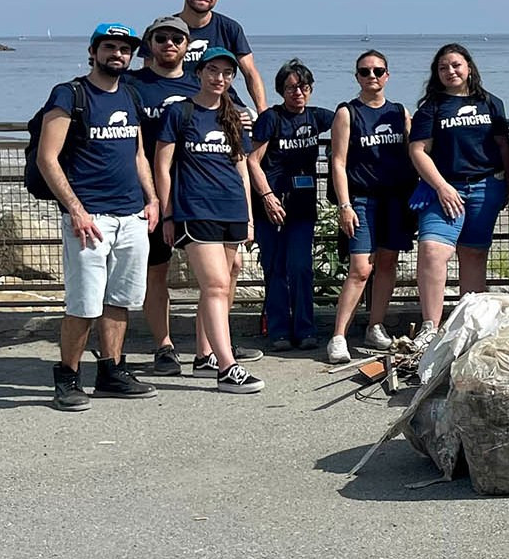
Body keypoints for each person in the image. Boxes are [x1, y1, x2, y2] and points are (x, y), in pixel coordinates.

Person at [35, 23, 159, 410]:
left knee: (120, 300)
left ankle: (112, 371)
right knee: (84, 304)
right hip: (89, 218)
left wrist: (152, 199)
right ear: (94, 51)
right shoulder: (70, 94)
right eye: (110, 47)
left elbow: (138, 155)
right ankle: (68, 378)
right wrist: (76, 209)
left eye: (124, 49)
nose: (117, 54)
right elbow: (47, 158)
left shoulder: (131, 95)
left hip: (131, 216)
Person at [153, 47, 263, 393]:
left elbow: (242, 167)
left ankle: (205, 355)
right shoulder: (180, 112)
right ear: (199, 72)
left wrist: (248, 216)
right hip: (195, 209)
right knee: (214, 284)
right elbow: (162, 166)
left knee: (227, 279)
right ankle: (227, 366)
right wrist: (167, 212)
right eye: (213, 71)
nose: (220, 78)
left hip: (231, 208)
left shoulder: (232, 115)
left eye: (227, 73)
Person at [124, 15, 215, 376]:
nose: (169, 44)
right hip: (147, 193)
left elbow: (234, 115)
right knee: (156, 271)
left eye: (177, 38)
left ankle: (208, 348)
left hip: (198, 192)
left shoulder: (201, 83)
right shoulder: (133, 84)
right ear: (150, 44)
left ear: (187, 45)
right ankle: (164, 346)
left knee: (225, 269)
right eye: (161, 38)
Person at [408, 44, 509, 337]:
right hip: (443, 189)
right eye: (443, 67)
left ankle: (470, 323)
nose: (450, 71)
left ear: (468, 67)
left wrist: (507, 185)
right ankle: (430, 326)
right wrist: (441, 186)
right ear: (436, 74)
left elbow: (503, 146)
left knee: (474, 255)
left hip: (485, 186)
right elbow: (418, 150)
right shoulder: (432, 107)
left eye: (456, 65)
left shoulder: (491, 103)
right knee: (431, 251)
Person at [325, 51, 414, 365]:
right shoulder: (347, 113)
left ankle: (375, 325)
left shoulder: (400, 112)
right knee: (361, 269)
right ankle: (339, 335)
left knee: (387, 263)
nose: (372, 77)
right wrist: (344, 205)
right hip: (361, 198)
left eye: (378, 71)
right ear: (357, 77)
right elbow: (337, 162)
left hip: (395, 198)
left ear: (387, 75)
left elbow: (414, 152)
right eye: (365, 72)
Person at [247, 59, 332, 353]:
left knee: (300, 267)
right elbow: (252, 161)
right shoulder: (271, 118)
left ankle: (306, 328)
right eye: (291, 87)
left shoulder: (317, 117)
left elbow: (349, 121)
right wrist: (267, 196)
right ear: (281, 90)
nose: (298, 92)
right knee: (275, 268)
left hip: (302, 205)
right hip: (270, 204)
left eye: (303, 87)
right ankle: (279, 329)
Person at [155, 0, 268, 111]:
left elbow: (250, 72)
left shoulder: (230, 28)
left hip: (224, 103)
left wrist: (262, 110)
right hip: (179, 104)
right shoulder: (164, 31)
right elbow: (150, 73)